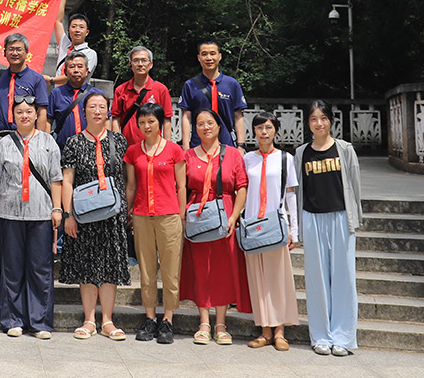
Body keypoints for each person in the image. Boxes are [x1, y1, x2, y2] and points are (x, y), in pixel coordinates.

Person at [59, 91, 131, 341]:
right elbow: (67, 180)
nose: (97, 111)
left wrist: (126, 210)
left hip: (112, 215)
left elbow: (126, 179)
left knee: (110, 266)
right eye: (92, 106)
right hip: (84, 215)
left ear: (108, 111)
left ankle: (108, 320)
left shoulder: (119, 141)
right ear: (84, 111)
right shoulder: (74, 142)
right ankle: (89, 319)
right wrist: (68, 214)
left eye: (102, 106)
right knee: (87, 265)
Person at [180, 109, 252, 346]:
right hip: (198, 216)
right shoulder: (188, 156)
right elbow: (180, 186)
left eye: (210, 123)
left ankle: (220, 323)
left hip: (225, 214)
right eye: (200, 124)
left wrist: (234, 216)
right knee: (200, 269)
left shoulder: (232, 154)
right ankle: (203, 322)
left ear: (219, 126)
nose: (205, 127)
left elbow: (242, 186)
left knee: (222, 269)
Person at [0, 94, 62, 338]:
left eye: (29, 111)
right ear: (13, 116)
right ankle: (13, 319)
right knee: (11, 268)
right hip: (10, 213)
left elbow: (56, 178)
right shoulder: (3, 143)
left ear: (36, 115)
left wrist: (57, 208)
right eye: (19, 111)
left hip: (41, 213)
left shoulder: (48, 142)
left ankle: (40, 322)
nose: (24, 115)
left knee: (40, 268)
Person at [297, 99, 362, 356]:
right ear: (308, 123)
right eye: (313, 119)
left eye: (323, 118)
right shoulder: (302, 153)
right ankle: (321, 335)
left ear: (331, 121)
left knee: (344, 278)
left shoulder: (345, 150)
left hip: (340, 217)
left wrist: (355, 218)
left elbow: (355, 187)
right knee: (316, 280)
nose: (319, 123)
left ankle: (343, 337)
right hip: (313, 218)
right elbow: (299, 189)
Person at [124, 101, 188, 344]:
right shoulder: (133, 152)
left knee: (171, 271)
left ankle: (168, 319)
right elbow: (131, 186)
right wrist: (127, 213)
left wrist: (181, 215)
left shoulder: (174, 150)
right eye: (142, 122)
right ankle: (150, 318)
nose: (146, 125)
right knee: (147, 271)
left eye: (151, 121)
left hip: (169, 215)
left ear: (160, 123)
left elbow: (181, 186)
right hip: (141, 216)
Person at [243, 112, 299, 352]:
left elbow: (291, 195)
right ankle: (264, 330)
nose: (263, 132)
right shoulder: (247, 159)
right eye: (259, 128)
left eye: (268, 127)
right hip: (254, 224)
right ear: (253, 131)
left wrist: (293, 229)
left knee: (279, 279)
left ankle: (280, 332)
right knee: (258, 279)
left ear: (276, 130)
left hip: (277, 223)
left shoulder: (286, 159)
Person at [178, 38, 248, 150]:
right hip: (199, 144)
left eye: (212, 53)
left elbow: (238, 116)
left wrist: (241, 146)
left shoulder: (232, 84)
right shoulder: (190, 85)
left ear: (219, 56)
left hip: (227, 142)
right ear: (199, 58)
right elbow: (186, 117)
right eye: (204, 54)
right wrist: (186, 145)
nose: (209, 58)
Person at [109, 45, 172, 147]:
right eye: (136, 60)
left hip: (155, 147)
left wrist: (167, 146)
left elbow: (167, 119)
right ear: (130, 64)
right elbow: (116, 118)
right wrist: (117, 144)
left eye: (144, 60)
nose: (140, 64)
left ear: (151, 64)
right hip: (128, 147)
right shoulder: (121, 90)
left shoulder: (161, 89)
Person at [0, 32, 49, 135]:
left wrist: (39, 139)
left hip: (26, 136)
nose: (15, 53)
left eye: (19, 49)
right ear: (5, 52)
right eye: (11, 49)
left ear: (26, 53)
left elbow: (41, 111)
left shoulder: (37, 79)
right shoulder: (0, 76)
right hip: (0, 135)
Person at [48, 51, 103, 148]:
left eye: (80, 66)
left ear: (87, 71)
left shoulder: (97, 94)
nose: (76, 70)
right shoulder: (56, 94)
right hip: (64, 149)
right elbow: (48, 122)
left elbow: (105, 121)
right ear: (65, 72)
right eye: (72, 66)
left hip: (92, 149)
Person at [48, 11, 98, 84]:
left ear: (87, 32)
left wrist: (51, 80)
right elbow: (58, 22)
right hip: (59, 92)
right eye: (74, 26)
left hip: (76, 94)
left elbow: (76, 76)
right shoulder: (64, 46)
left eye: (81, 27)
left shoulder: (90, 53)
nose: (77, 30)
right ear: (68, 31)